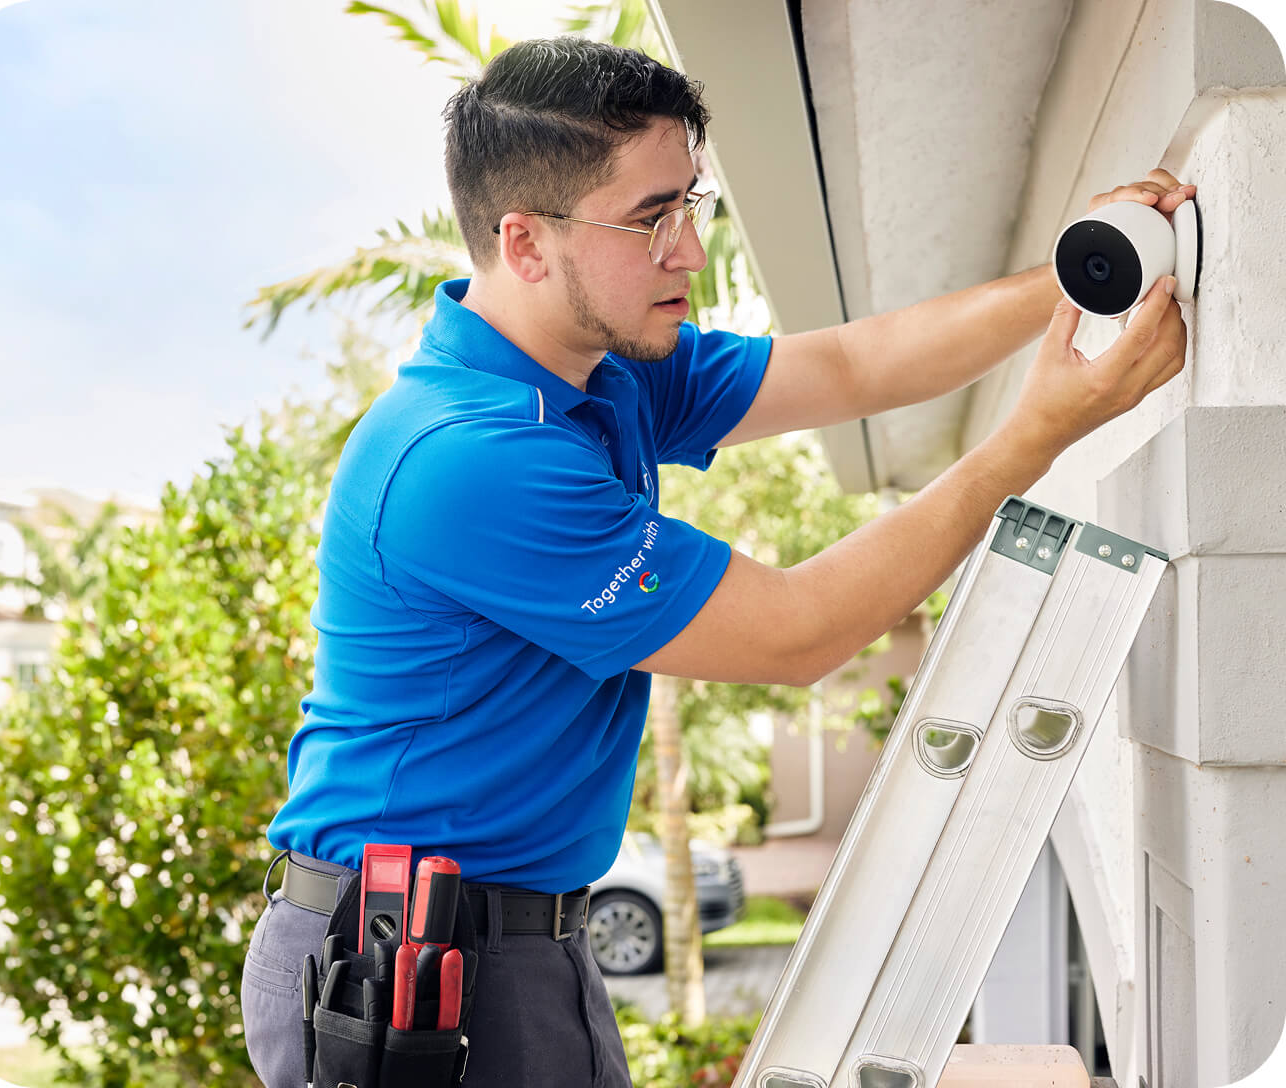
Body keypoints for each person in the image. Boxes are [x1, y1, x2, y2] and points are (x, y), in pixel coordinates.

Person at [240, 36, 1192, 1088]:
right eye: (651, 218)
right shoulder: (465, 458)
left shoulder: (604, 370)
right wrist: (1034, 435)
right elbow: (797, 631)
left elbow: (849, 363)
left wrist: (1079, 265)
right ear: (524, 242)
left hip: (521, 939)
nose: (688, 251)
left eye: (688, 204)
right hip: (407, 971)